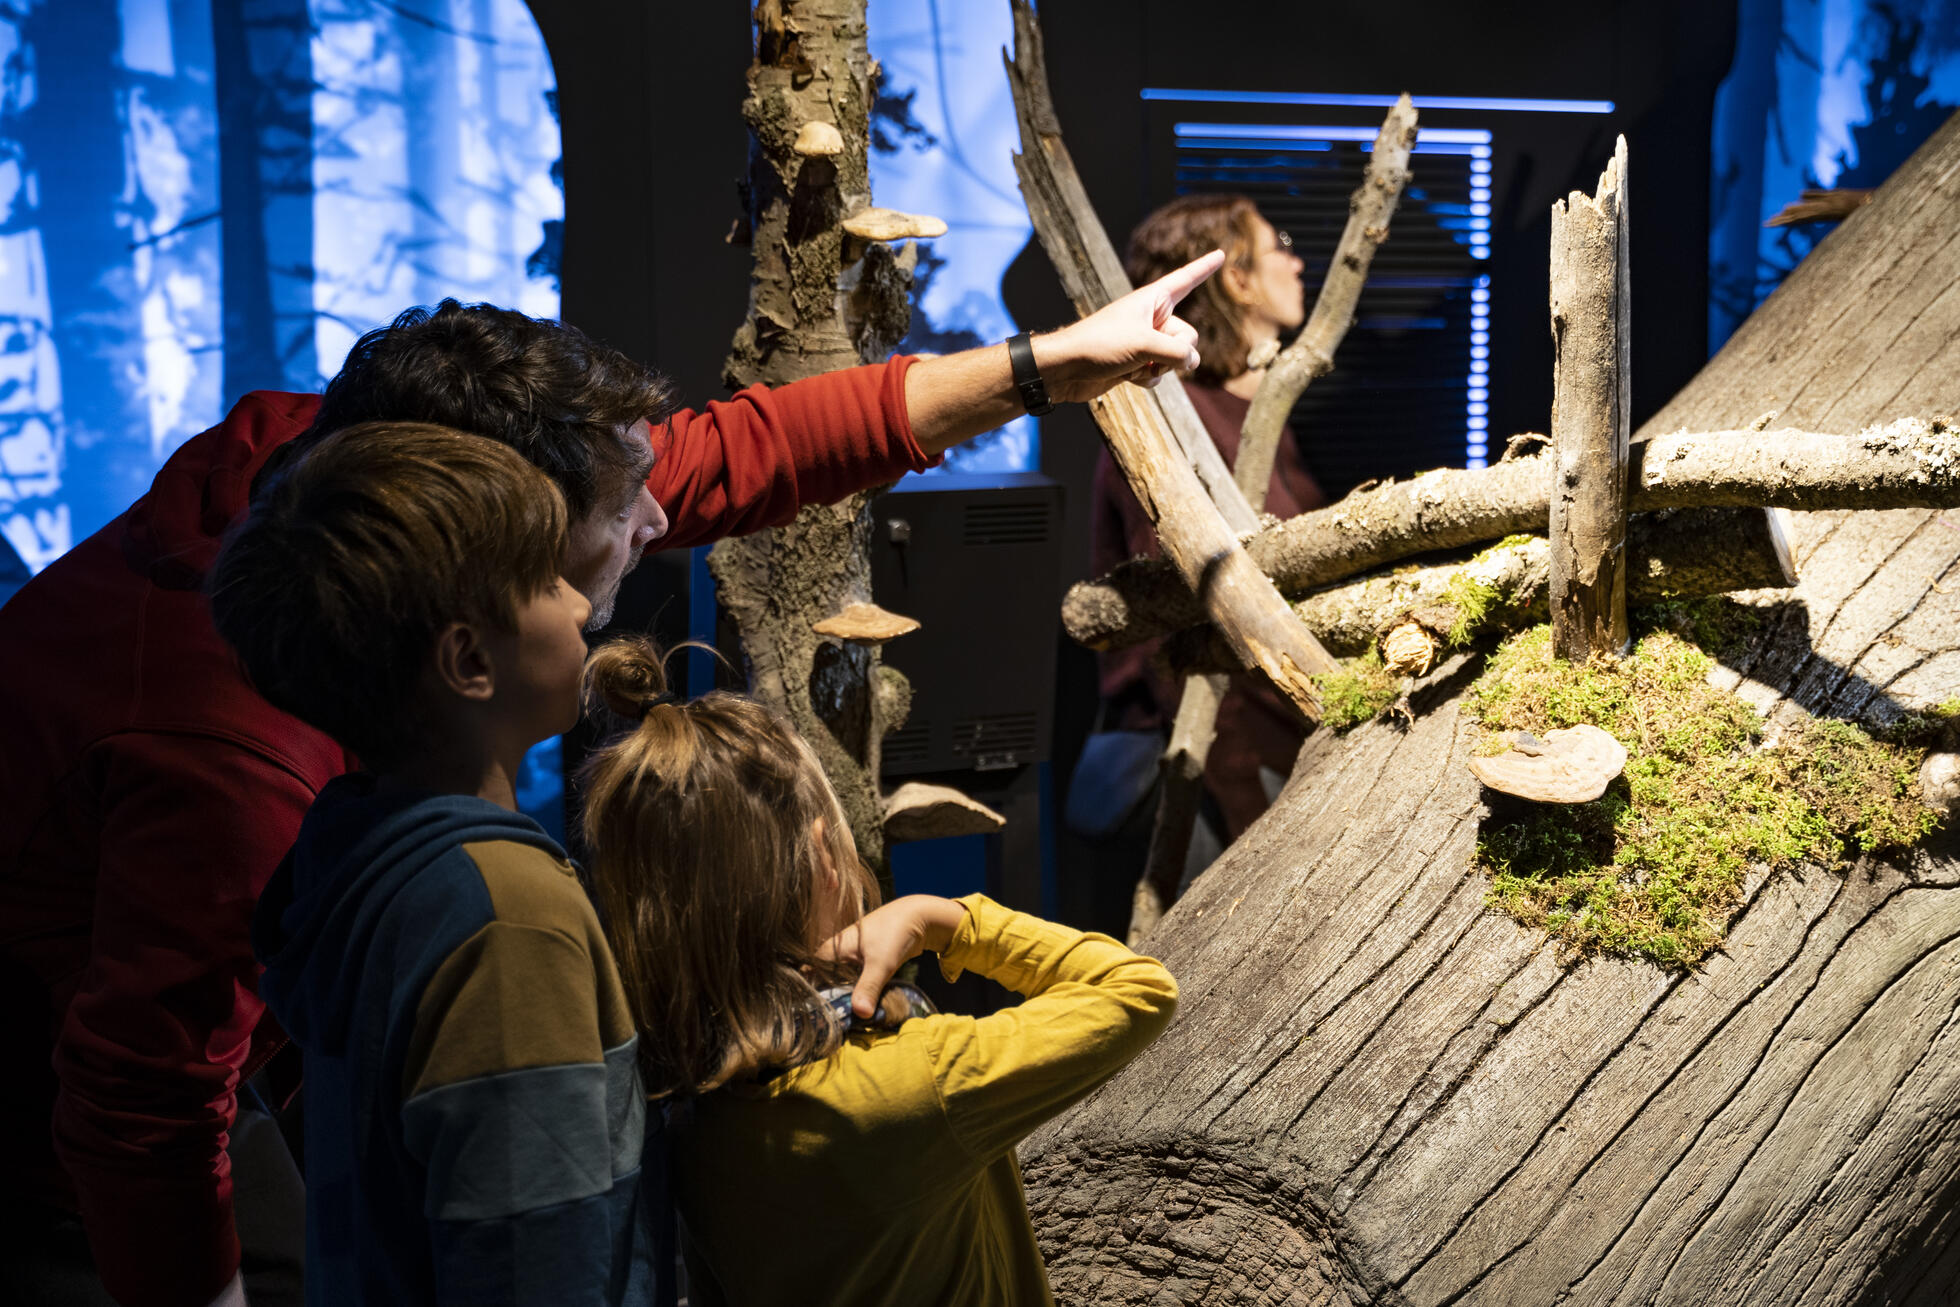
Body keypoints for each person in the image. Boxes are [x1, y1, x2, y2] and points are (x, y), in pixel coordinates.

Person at [0, 253, 1219, 1307]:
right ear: (475, 600)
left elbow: (731, 454)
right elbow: (141, 1102)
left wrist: (1054, 362)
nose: (657, 522)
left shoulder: (357, 507)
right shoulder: (242, 770)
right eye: (610, 520)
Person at [578, 638, 1178, 1307]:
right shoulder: (919, 1079)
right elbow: (1140, 990)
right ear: (821, 856)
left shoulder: (693, 1111)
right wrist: (946, 918)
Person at [210, 422, 638, 1305]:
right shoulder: (508, 917)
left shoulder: (359, 851)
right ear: (470, 659)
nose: (574, 601)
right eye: (546, 578)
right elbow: (530, 1265)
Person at [1087, 195, 1327, 848]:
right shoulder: (1173, 421)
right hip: (1208, 777)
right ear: (1236, 278)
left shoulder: (1257, 419)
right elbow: (1177, 636)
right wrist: (1248, 804)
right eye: (1279, 245)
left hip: (1277, 749)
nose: (1299, 262)